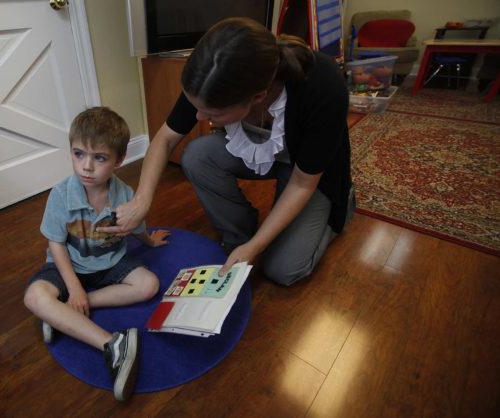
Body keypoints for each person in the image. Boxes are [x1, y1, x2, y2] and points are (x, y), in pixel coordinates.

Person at [98, 17, 354, 286]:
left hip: (308, 172)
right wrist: (142, 200)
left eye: (213, 113)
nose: (199, 116)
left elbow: (302, 183)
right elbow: (164, 140)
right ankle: (239, 233)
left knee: (284, 269)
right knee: (197, 155)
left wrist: (256, 247)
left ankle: (342, 205)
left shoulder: (322, 86)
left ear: (257, 97)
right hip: (270, 154)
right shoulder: (209, 77)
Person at [23, 107, 170, 401]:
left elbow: (135, 224)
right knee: (34, 296)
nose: (86, 167)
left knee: (149, 285)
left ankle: (61, 311)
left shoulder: (126, 194)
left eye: (99, 158)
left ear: (119, 160)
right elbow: (57, 244)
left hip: (110, 264)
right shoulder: (61, 194)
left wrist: (149, 241)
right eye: (79, 154)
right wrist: (74, 286)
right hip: (69, 266)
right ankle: (112, 344)